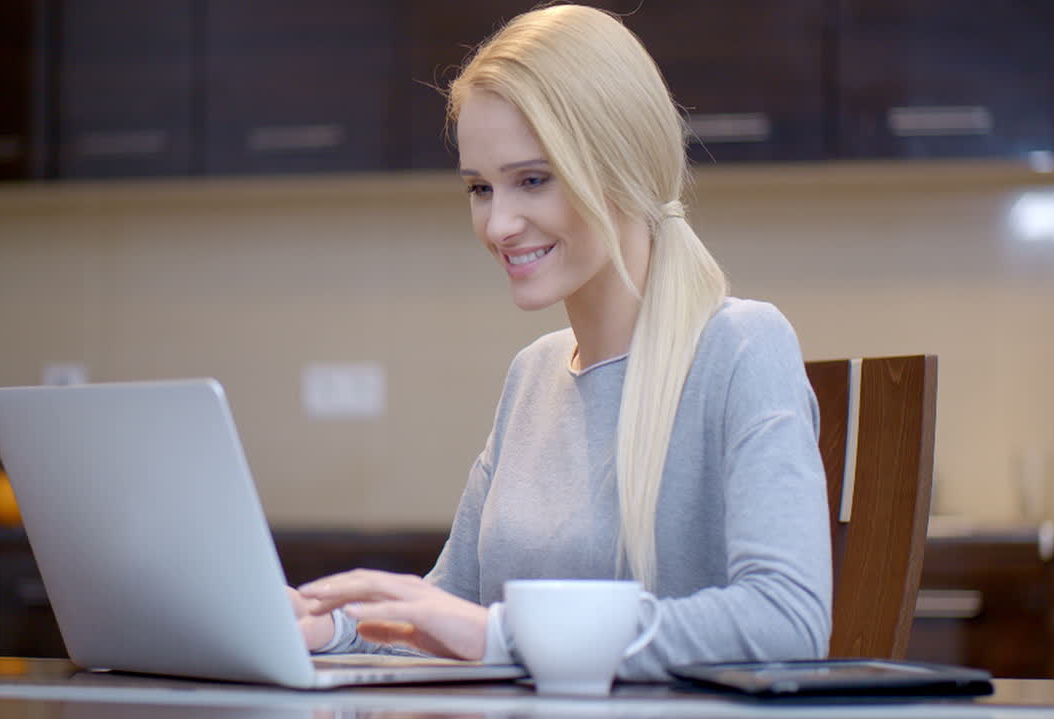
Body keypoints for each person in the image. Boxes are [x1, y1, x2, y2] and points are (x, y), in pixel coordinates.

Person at [289, 3, 832, 681]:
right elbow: (453, 612)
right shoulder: (534, 373)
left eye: (533, 180)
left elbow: (787, 622)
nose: (498, 224)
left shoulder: (743, 347)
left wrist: (504, 634)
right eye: (480, 188)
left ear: (622, 165)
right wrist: (330, 625)